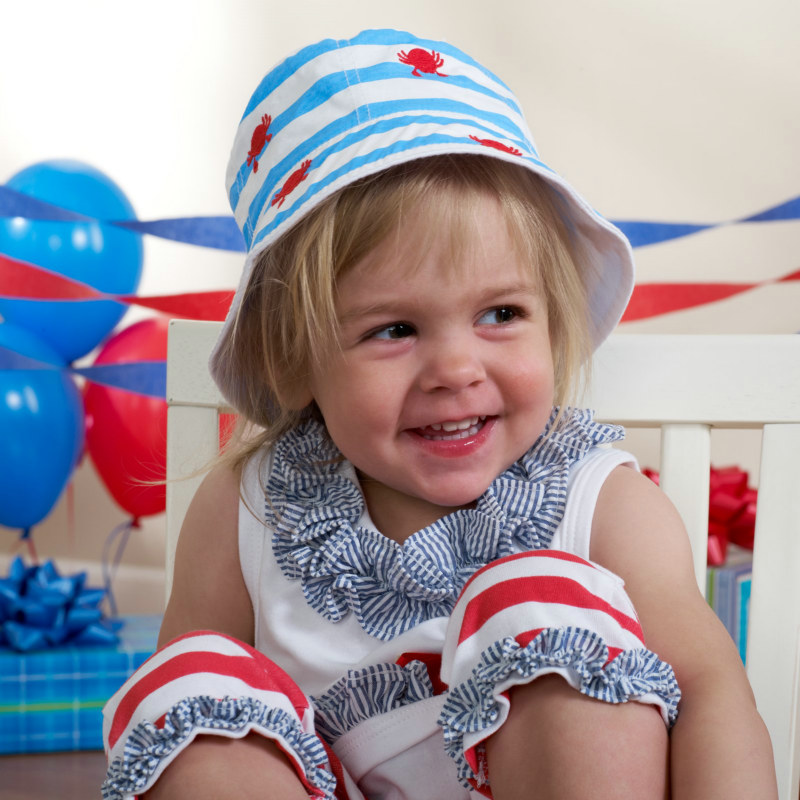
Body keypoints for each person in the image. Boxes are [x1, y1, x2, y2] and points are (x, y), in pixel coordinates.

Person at [101, 29, 776, 800]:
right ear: (293, 360)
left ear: (552, 321)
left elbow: (713, 696)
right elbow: (180, 737)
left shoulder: (605, 504)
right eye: (395, 329)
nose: (456, 370)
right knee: (194, 700)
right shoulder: (247, 511)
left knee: (547, 610)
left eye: (501, 313)